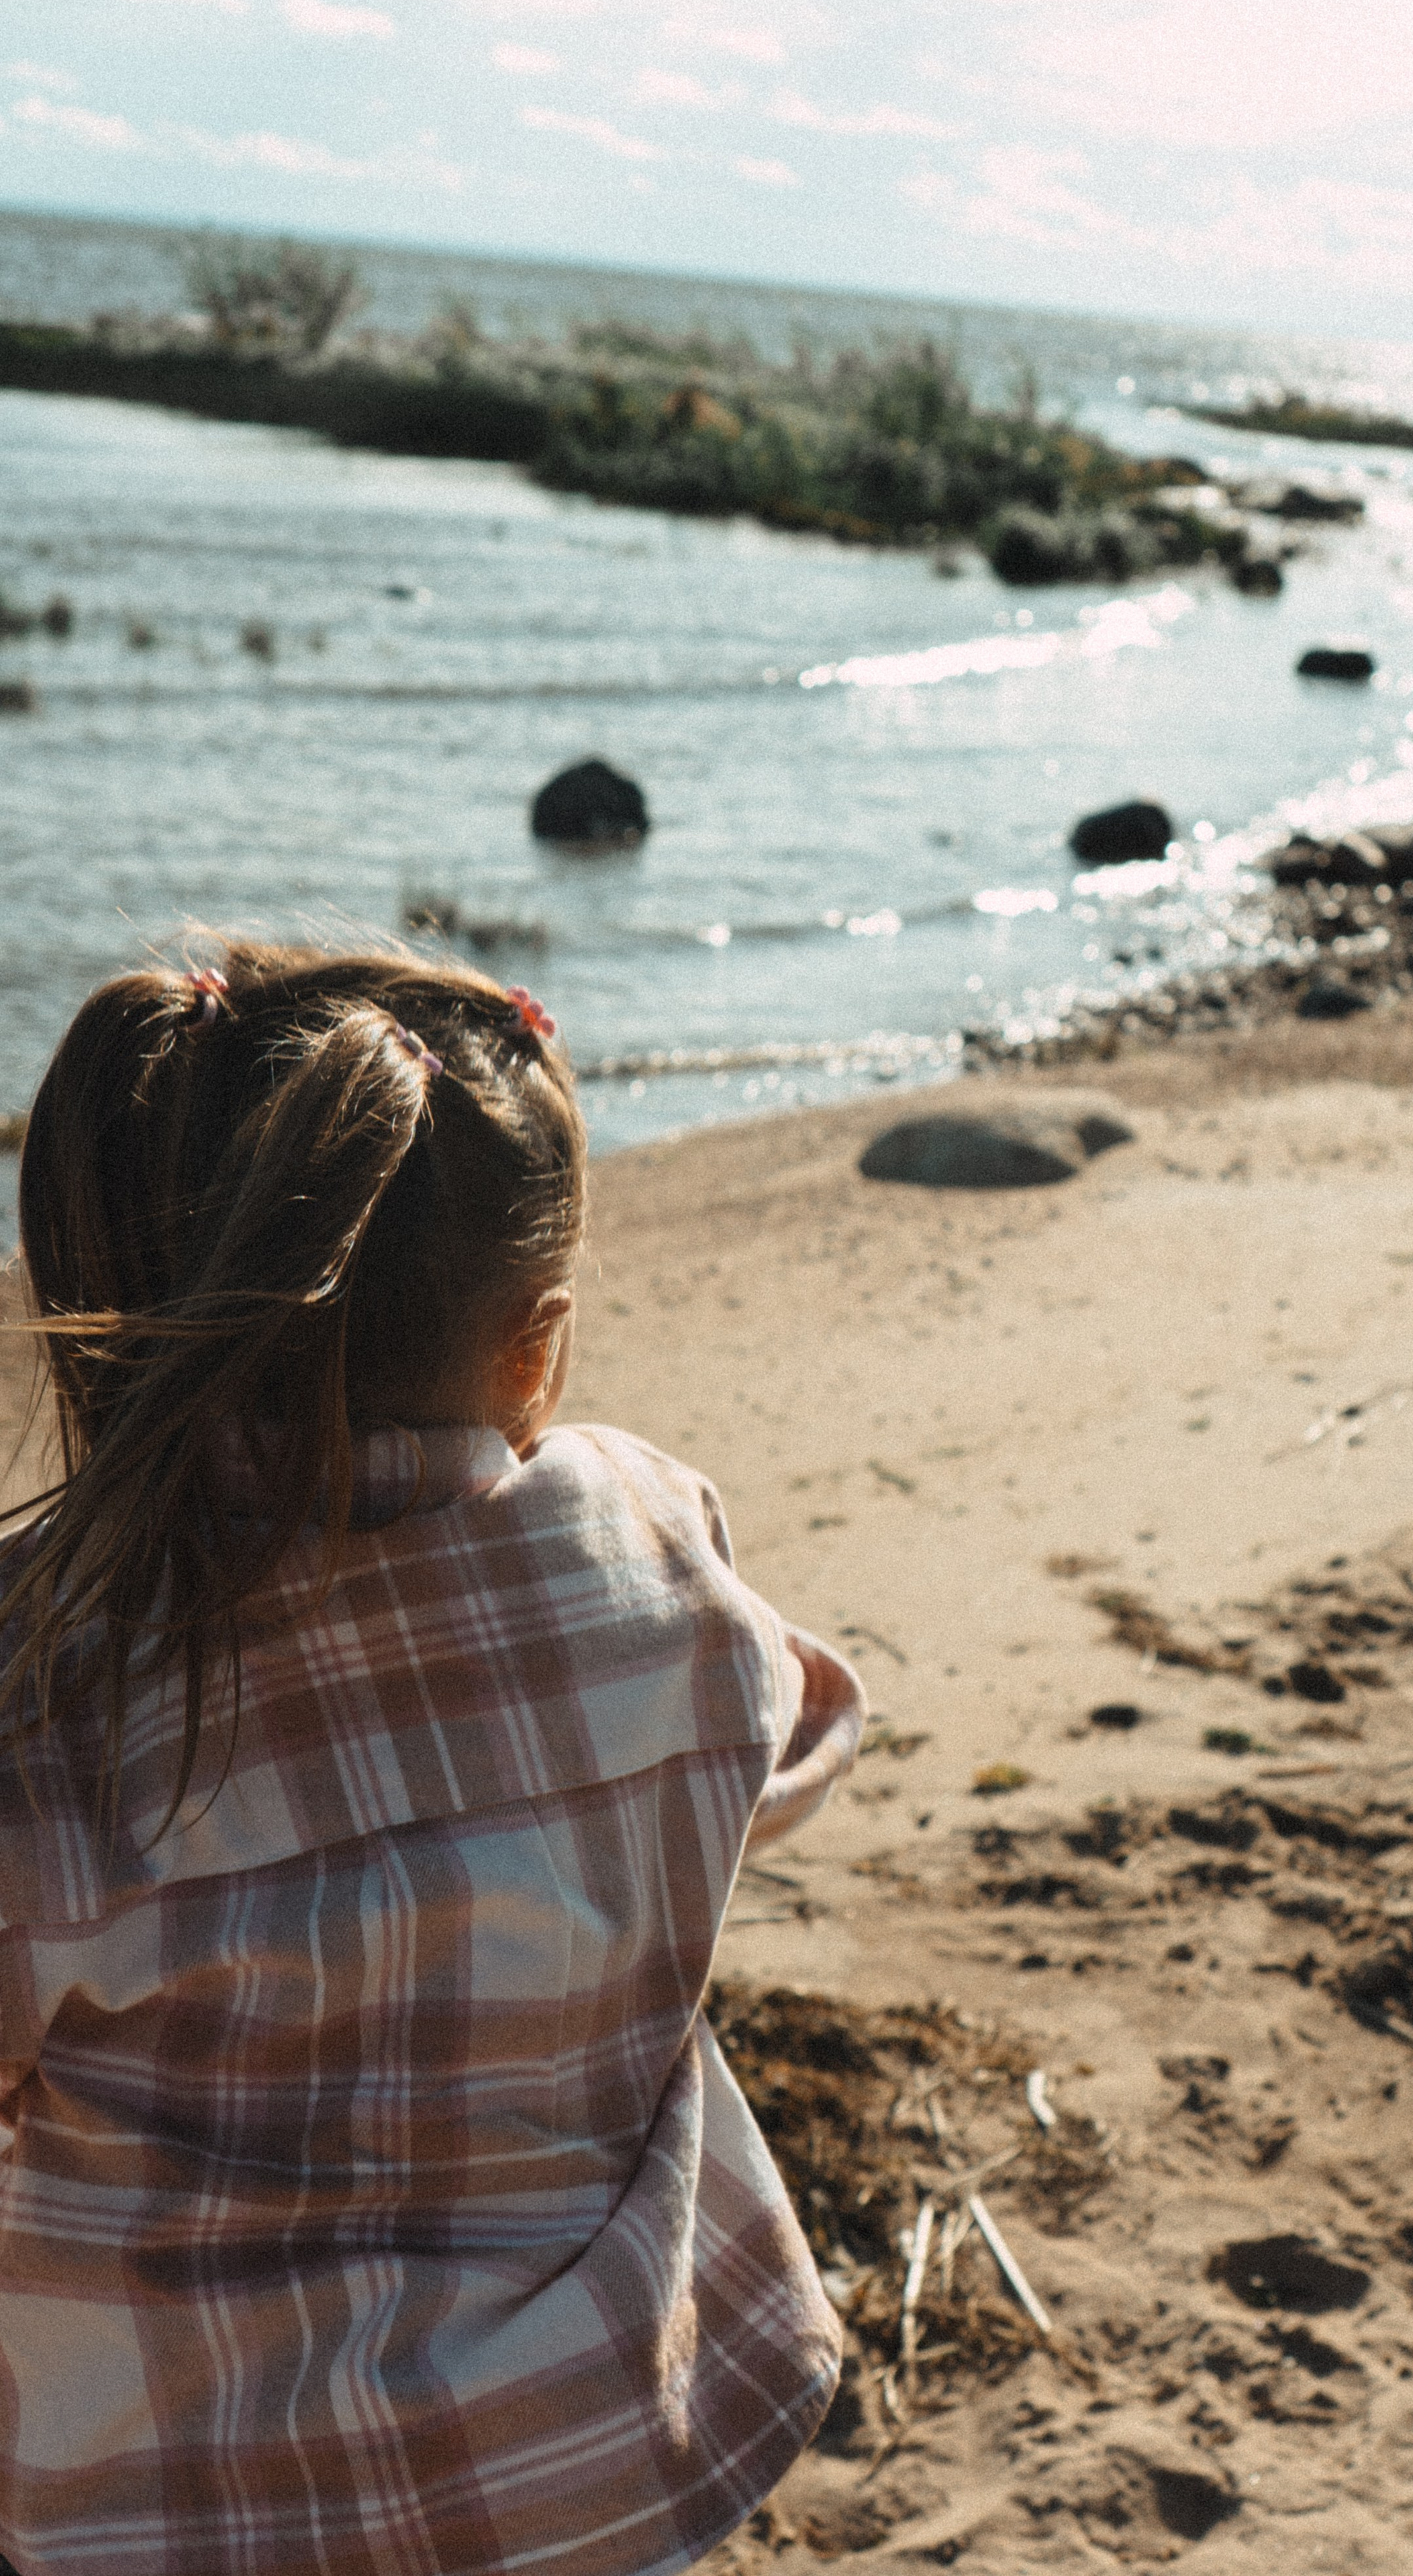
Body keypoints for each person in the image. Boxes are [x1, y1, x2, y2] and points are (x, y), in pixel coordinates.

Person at [0, 943, 863, 2576]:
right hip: (589, 2480)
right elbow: (792, 1717)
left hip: (178, 2514)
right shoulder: (655, 1551)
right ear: (532, 1351)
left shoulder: (53, 1678)